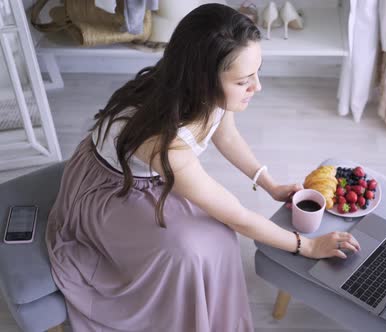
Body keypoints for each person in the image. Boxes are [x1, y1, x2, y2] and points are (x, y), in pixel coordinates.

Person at [46, 3, 361, 332]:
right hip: (113, 190)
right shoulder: (163, 141)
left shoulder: (203, 90)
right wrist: (307, 246)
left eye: (257, 72)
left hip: (156, 174)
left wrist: (269, 184)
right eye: (243, 81)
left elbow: (226, 134)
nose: (257, 87)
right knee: (192, 251)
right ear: (203, 81)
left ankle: (212, 316)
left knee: (217, 240)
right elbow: (236, 215)